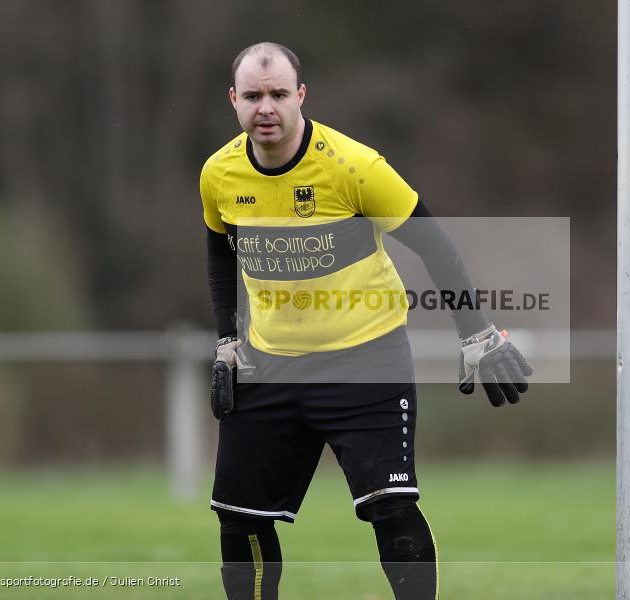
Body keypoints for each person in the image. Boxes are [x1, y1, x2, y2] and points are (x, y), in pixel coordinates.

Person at [200, 42, 532, 600]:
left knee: (391, 510)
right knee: (239, 520)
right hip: (269, 364)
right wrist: (228, 341)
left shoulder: (354, 166)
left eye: (279, 94)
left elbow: (435, 244)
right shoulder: (218, 174)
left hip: (366, 360)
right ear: (234, 99)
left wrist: (476, 333)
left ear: (300, 96)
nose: (266, 108)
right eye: (253, 96)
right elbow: (218, 251)